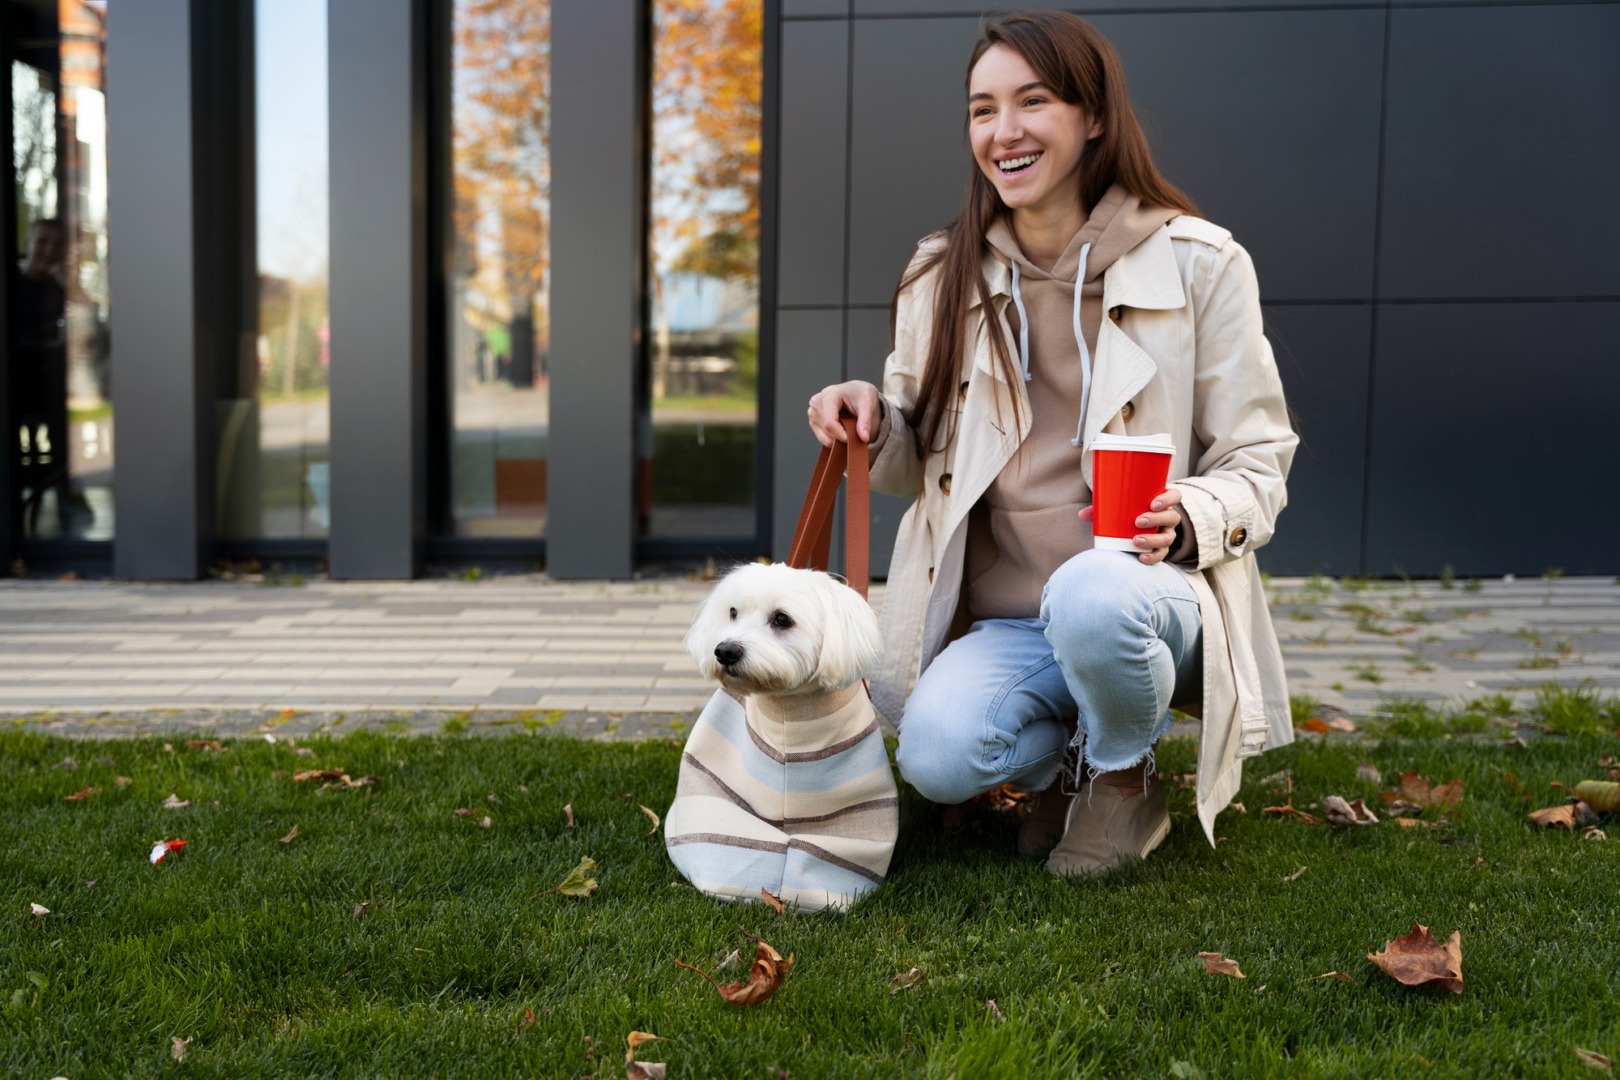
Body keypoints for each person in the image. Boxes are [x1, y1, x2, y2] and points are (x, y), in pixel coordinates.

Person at [807, 10, 1297, 877]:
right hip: (1010, 616)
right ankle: (1070, 758)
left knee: (1091, 596)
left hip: (1145, 597)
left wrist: (1192, 512)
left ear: (1093, 115)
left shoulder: (1202, 264)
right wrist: (874, 418)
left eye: (1033, 102)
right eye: (982, 109)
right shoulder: (941, 270)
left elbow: (1260, 460)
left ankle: (1123, 774)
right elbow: (908, 460)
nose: (1005, 132)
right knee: (936, 759)